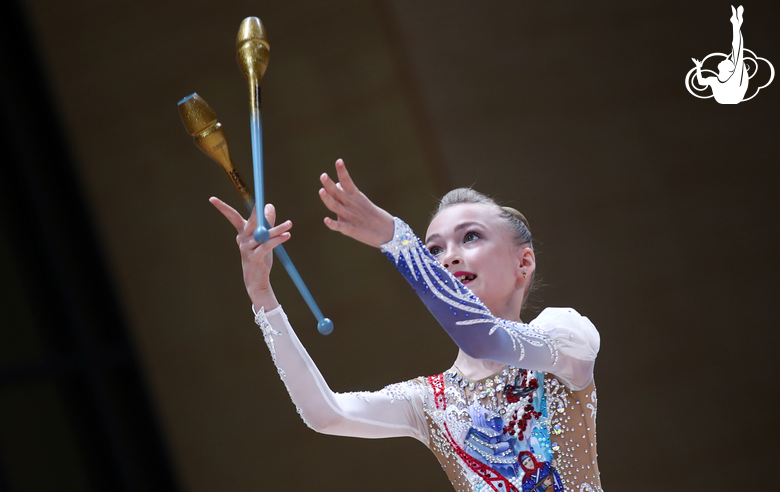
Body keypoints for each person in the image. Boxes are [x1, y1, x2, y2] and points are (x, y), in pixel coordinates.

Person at [210, 159, 603, 492]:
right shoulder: (430, 401)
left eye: (470, 237)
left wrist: (398, 241)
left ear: (524, 263)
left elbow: (483, 338)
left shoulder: (565, 335)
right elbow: (324, 413)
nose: (448, 257)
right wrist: (261, 293)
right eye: (433, 249)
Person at [692, 5, 748, 104]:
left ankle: (736, 24)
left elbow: (737, 49)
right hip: (731, 97)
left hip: (731, 96)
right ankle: (736, 24)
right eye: (728, 60)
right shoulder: (716, 79)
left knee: (737, 51)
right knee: (737, 52)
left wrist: (698, 68)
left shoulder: (724, 79)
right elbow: (700, 82)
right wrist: (698, 67)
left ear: (729, 69)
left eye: (727, 61)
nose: (724, 59)